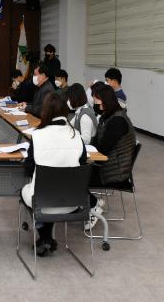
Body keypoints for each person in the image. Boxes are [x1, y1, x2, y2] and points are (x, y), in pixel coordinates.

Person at [21, 92, 87, 256]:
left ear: (45, 112)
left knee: (25, 191)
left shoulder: (37, 135)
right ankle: (46, 238)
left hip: (42, 201)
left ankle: (44, 236)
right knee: (50, 192)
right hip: (73, 201)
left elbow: (29, 168)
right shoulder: (76, 135)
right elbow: (83, 164)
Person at [85, 85, 137, 230]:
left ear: (105, 101)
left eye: (96, 101)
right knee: (75, 171)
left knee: (75, 175)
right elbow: (97, 144)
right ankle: (91, 202)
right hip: (110, 165)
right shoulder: (108, 117)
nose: (94, 104)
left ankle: (93, 205)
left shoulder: (117, 121)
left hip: (114, 171)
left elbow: (102, 150)